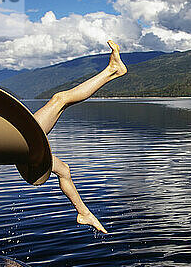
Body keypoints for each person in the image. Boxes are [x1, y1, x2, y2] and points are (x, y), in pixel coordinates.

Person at [33, 40, 127, 234]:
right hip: (18, 144)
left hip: (17, 145)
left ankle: (84, 213)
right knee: (60, 99)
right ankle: (111, 70)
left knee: (64, 170)